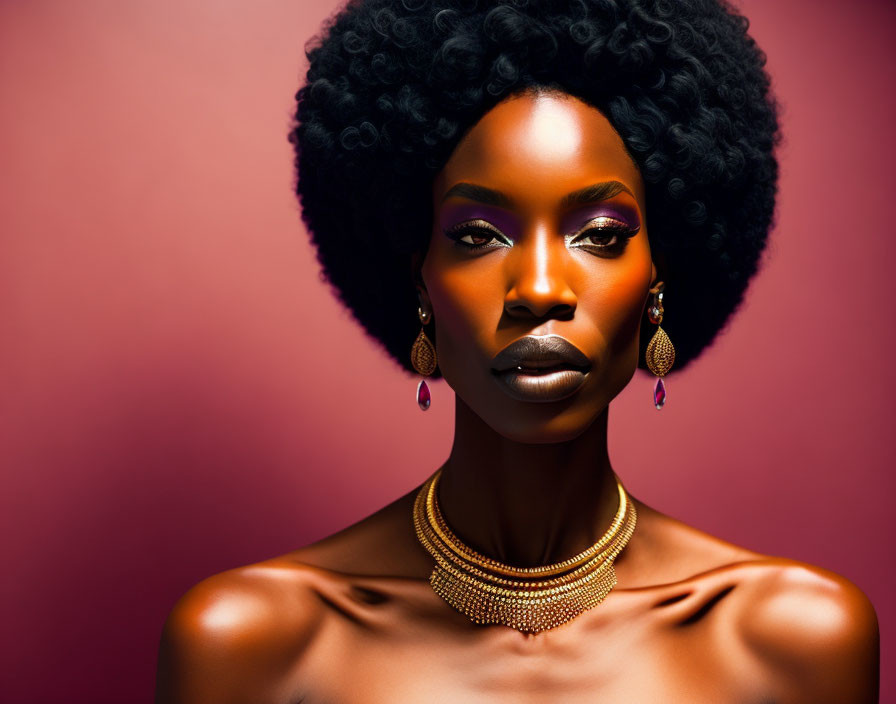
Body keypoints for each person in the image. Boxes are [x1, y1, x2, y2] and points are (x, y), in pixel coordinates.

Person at [154, 0, 879, 701]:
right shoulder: (256, 646)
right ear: (419, 276)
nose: (538, 288)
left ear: (661, 270)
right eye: (478, 236)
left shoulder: (791, 643)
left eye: (599, 234)